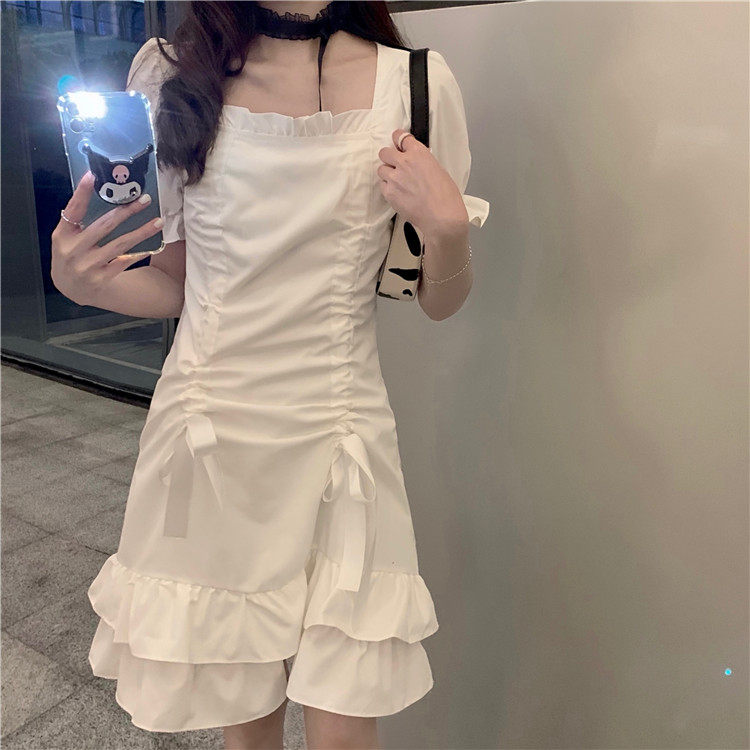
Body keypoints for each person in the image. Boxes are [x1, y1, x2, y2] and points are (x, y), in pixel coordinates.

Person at [50, 2, 490, 748]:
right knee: (246, 722)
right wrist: (83, 285)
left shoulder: (415, 85)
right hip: (210, 436)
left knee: (344, 728)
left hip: (341, 438)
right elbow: (177, 282)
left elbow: (439, 301)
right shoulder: (172, 75)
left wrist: (448, 232)